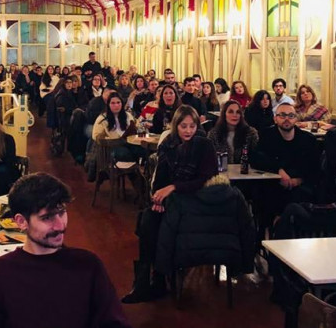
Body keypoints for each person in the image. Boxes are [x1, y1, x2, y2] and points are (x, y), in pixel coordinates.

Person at [0, 173, 131, 327]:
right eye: (47, 217)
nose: (60, 225)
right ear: (21, 221)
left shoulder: (88, 266)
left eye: (62, 213)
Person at [122, 105, 218, 303]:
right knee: (149, 218)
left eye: (192, 126)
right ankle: (145, 282)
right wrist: (158, 198)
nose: (188, 130)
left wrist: (173, 188)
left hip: (196, 199)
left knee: (161, 222)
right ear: (176, 126)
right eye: (184, 126)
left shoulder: (204, 145)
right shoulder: (168, 143)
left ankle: (157, 279)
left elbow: (204, 179)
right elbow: (161, 176)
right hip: (171, 197)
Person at [251, 103, 319, 224]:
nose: (287, 119)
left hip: (300, 185)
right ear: (275, 118)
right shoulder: (266, 135)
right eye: (282, 115)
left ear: (296, 119)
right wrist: (278, 171)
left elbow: (314, 167)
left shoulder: (308, 139)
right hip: (273, 183)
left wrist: (297, 180)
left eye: (291, 115)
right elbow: (256, 158)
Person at [92, 91, 144, 162]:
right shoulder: (102, 118)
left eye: (118, 102)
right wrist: (106, 139)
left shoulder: (127, 115)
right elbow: (95, 136)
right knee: (125, 153)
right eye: (113, 103)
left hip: (129, 142)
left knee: (143, 150)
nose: (116, 105)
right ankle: (133, 170)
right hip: (112, 146)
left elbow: (137, 126)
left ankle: (137, 169)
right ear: (108, 105)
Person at [207, 100, 259, 164]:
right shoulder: (214, 134)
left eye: (238, 112)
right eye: (231, 112)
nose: (235, 115)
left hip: (244, 171)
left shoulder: (251, 133)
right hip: (222, 172)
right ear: (224, 114)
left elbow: (256, 157)